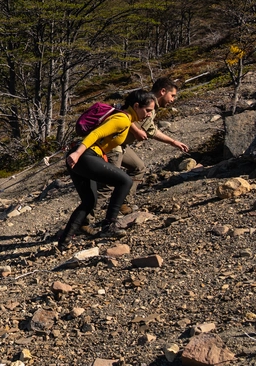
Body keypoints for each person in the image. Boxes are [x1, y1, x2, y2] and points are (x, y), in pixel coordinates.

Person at [56, 89, 157, 249]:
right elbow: (96, 134)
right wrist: (77, 153)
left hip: (82, 157)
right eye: (148, 110)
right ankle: (109, 225)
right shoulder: (123, 119)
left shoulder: (125, 119)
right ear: (136, 106)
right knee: (125, 181)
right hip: (84, 156)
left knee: (89, 201)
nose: (149, 115)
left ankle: (63, 242)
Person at [102, 76, 189, 209]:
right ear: (163, 91)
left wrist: (173, 142)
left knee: (139, 168)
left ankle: (122, 202)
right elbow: (123, 113)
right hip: (112, 144)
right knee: (109, 183)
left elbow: (152, 131)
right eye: (172, 95)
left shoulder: (152, 109)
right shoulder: (143, 101)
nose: (173, 99)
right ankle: (84, 221)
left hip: (122, 145)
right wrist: (136, 130)